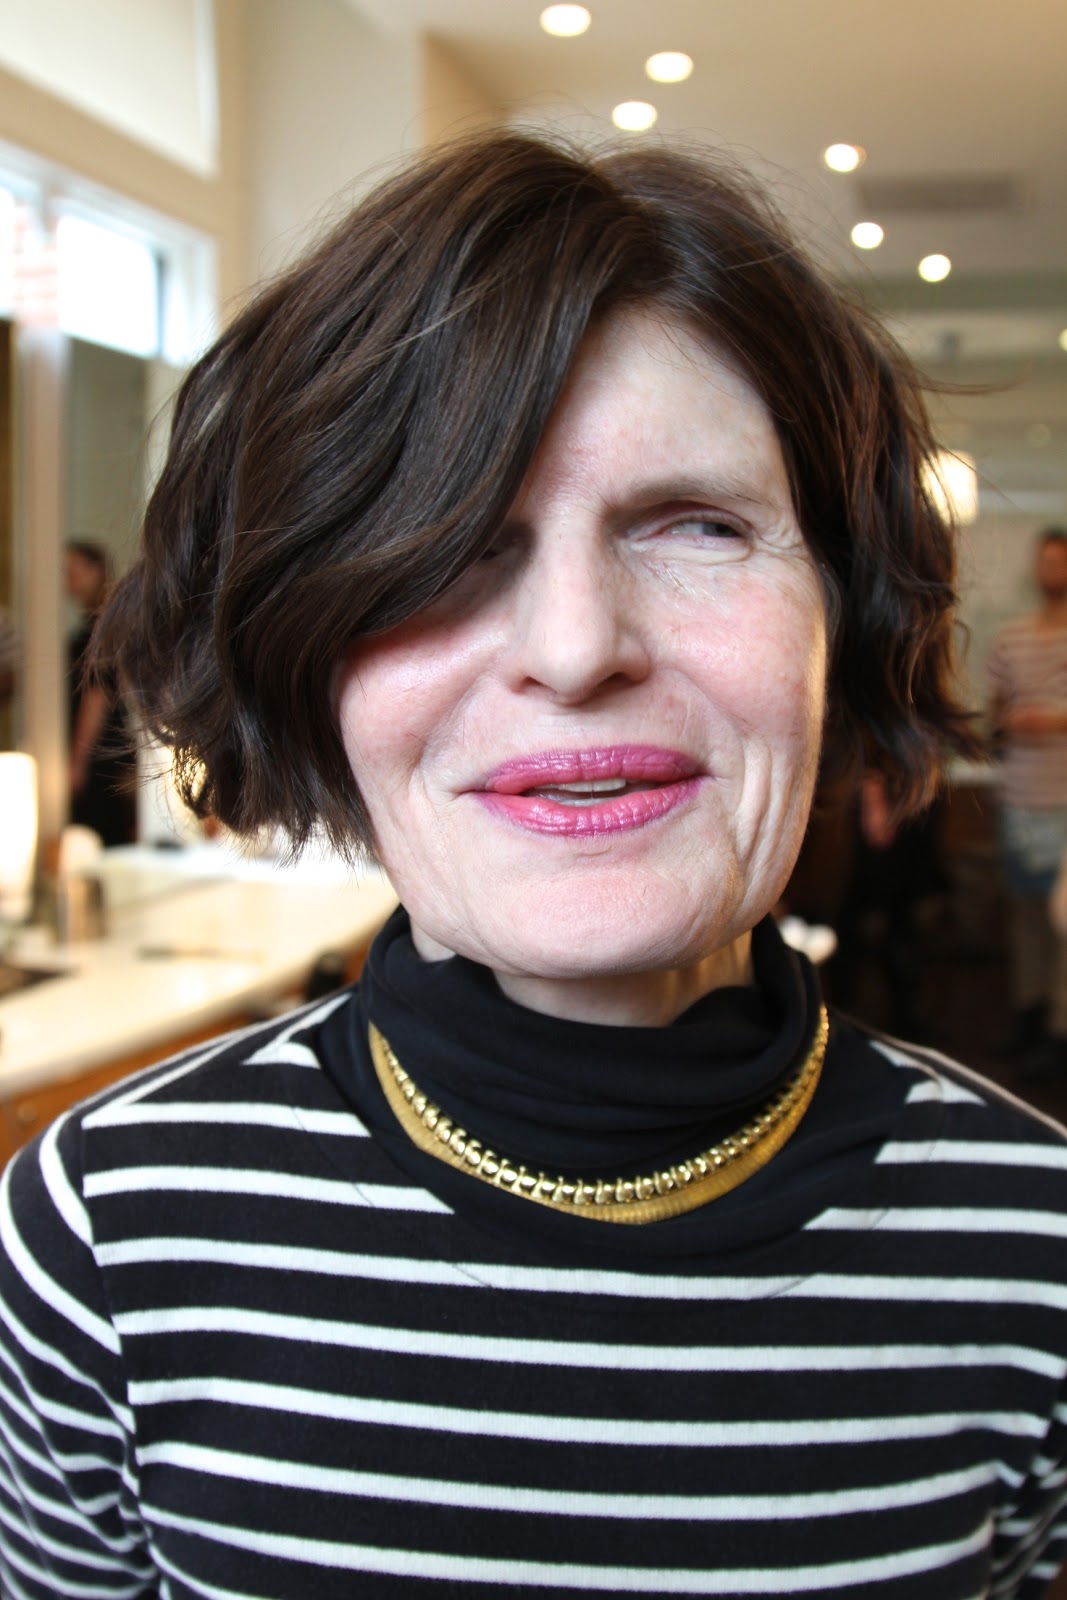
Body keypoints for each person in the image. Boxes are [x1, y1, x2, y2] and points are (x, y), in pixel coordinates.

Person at [1, 132, 1065, 1600]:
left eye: (695, 525)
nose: (573, 651)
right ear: (308, 659)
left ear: (846, 617)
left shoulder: (1032, 1241)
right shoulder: (108, 1228)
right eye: (446, 545)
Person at [987, 527, 1067, 1072]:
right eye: (1046, 561)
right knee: (1024, 912)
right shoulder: (1011, 637)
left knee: (1064, 920)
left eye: (1060, 562)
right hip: (1019, 796)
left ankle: (1060, 1027)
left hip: (1064, 800)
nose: (1051, 571)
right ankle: (1028, 1012)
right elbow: (993, 710)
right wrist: (1006, 721)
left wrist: (1054, 722)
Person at [66, 539, 138, 846]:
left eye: (74, 571)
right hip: (102, 751)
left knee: (99, 835)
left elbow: (98, 696)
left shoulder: (103, 629)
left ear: (97, 570)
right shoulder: (96, 627)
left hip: (102, 754)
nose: (68, 580)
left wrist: (78, 759)